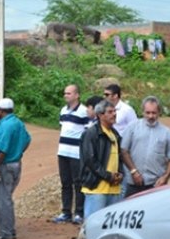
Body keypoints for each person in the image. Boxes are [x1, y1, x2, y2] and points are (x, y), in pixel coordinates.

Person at [0, 98, 31, 239]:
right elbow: (27, 140)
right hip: (15, 163)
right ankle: (9, 230)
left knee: (2, 200)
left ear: (1, 110)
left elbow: (3, 150)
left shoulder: (6, 126)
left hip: (5, 165)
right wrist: (18, 152)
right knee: (6, 198)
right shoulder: (18, 123)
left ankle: (5, 232)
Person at [120, 96, 170, 197]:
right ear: (142, 112)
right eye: (148, 113)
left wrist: (165, 177)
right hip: (133, 183)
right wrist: (134, 171)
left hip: (156, 184)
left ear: (159, 112)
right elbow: (124, 150)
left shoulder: (167, 133)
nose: (151, 116)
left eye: (154, 113)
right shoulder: (132, 128)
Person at [79, 99, 122, 218]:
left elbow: (119, 157)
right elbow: (90, 160)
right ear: (100, 115)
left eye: (114, 111)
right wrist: (108, 176)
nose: (114, 114)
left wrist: (120, 174)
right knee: (94, 223)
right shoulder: (91, 134)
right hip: (96, 187)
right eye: (110, 112)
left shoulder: (115, 134)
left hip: (114, 188)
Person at [52, 84, 89, 224]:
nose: (66, 95)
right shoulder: (63, 111)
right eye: (65, 93)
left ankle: (79, 212)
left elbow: (87, 131)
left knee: (78, 183)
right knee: (65, 182)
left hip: (76, 153)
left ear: (77, 95)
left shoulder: (84, 111)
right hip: (63, 151)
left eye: (68, 93)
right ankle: (66, 211)